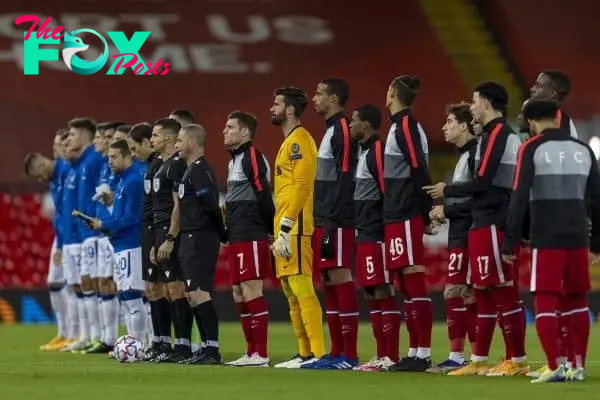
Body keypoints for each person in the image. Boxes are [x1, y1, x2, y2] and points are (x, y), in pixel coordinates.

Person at [425, 81, 527, 376]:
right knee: (481, 291)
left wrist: (449, 189)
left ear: (485, 103)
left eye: (473, 101)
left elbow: (483, 183)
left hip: (494, 221)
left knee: (503, 291)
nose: (471, 107)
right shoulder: (490, 136)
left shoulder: (500, 134)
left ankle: (516, 360)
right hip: (482, 222)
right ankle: (479, 359)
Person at [501, 99, 600, 383]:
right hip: (578, 235)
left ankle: (554, 365)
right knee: (577, 298)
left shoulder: (531, 148)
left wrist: (511, 241)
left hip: (547, 235)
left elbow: (519, 197)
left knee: (545, 296)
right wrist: (597, 242)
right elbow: (598, 198)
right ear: (558, 116)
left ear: (531, 122)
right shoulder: (583, 150)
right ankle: (577, 365)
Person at [269, 87, 326, 369]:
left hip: (296, 226)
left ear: (290, 110)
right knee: (290, 290)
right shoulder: (289, 141)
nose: (272, 108)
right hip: (285, 226)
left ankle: (317, 354)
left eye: (277, 104)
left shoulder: (300, 141)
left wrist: (288, 225)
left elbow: (303, 186)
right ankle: (304, 354)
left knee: (302, 286)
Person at [307, 78, 359, 370]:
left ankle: (349, 355)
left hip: (337, 219)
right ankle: (336, 350)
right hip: (325, 218)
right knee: (328, 280)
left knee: (340, 276)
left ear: (334, 98)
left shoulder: (341, 130)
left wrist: (332, 219)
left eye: (319, 94)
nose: (314, 99)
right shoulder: (330, 131)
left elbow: (345, 178)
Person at [382, 75, 433, 372]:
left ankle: (422, 353)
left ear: (392, 93)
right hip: (395, 213)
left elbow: (419, 168)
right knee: (403, 280)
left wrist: (426, 212)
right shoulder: (398, 125)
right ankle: (414, 350)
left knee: (412, 277)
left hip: (405, 211)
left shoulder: (406, 126)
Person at [426, 103, 478, 373]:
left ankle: (460, 357)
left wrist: (447, 208)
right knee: (466, 294)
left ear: (464, 125)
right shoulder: (463, 158)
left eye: (449, 121)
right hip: (461, 232)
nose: (444, 127)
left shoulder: (472, 157)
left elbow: (478, 198)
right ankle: (471, 358)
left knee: (456, 292)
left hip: (468, 234)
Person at [222, 111, 275, 367]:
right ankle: (250, 351)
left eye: (230, 127)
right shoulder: (234, 162)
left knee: (251, 288)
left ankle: (261, 354)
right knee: (238, 292)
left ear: (245, 133)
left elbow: (264, 193)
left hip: (252, 233)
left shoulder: (252, 157)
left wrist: (269, 229)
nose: (225, 131)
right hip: (237, 235)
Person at [349, 105, 399, 371]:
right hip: (364, 232)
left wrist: (385, 227)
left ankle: (390, 356)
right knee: (371, 291)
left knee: (382, 288)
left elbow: (386, 188)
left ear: (366, 125)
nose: (349, 126)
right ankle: (381, 355)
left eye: (354, 121)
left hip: (377, 232)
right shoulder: (364, 151)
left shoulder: (378, 151)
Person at [87, 139, 148, 346]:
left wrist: (103, 223)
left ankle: (138, 345)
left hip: (131, 245)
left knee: (133, 299)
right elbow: (121, 215)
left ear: (126, 157)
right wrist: (105, 219)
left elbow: (131, 218)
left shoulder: (133, 182)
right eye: (109, 157)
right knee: (125, 299)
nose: (110, 161)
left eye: (114, 157)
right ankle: (135, 343)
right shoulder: (122, 182)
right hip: (120, 246)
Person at [175, 124, 226, 365]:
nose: (176, 145)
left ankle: (212, 350)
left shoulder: (199, 170)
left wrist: (221, 232)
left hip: (200, 237)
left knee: (199, 292)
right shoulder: (190, 170)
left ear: (191, 143)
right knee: (191, 294)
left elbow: (210, 205)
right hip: (190, 237)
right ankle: (206, 347)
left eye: (179, 140)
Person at [147, 118, 194, 363]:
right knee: (166, 289)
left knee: (176, 288)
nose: (151, 139)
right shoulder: (159, 165)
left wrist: (169, 238)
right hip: (159, 230)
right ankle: (166, 344)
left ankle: (184, 345)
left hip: (170, 232)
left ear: (167, 138)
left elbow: (178, 205)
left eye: (155, 135)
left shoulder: (176, 165)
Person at [24, 130, 73, 351]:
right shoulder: (56, 180)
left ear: (43, 163)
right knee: (55, 284)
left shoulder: (66, 170)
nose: (41, 178)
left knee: (74, 286)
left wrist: (62, 244)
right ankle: (64, 332)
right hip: (62, 235)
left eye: (39, 173)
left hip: (73, 236)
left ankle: (74, 333)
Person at [64, 117, 105, 353]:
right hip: (81, 233)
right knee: (87, 284)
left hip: (92, 231)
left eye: (72, 134)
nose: (70, 139)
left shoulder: (94, 160)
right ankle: (90, 335)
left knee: (98, 284)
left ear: (82, 135)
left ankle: (101, 336)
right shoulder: (81, 162)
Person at [86, 121, 126, 354]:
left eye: (110, 136)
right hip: (103, 229)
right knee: (105, 283)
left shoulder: (121, 169)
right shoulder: (104, 165)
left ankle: (143, 339)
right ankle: (107, 338)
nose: (107, 140)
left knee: (125, 286)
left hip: (118, 231)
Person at [530, 70, 577, 138]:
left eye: (539, 86)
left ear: (552, 93)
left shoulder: (566, 124)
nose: (532, 89)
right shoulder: (527, 114)